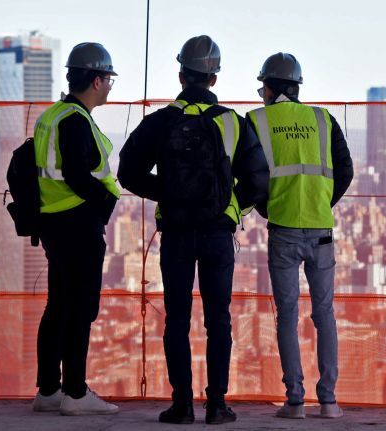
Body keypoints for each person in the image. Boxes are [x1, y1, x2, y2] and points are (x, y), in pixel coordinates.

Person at [117, 35, 269, 425]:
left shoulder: (161, 122)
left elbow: (128, 172)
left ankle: (181, 404)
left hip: (178, 234)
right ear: (213, 79)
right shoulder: (234, 123)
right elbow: (257, 181)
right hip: (219, 234)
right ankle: (217, 405)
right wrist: (232, 209)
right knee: (218, 318)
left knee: (177, 319)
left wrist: (166, 193)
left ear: (181, 75)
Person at [246, 53, 353, 419]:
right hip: (321, 228)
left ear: (270, 87)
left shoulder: (257, 120)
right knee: (325, 315)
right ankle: (329, 402)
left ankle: (294, 401)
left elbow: (252, 178)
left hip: (284, 230)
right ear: (297, 87)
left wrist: (269, 209)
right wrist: (323, 202)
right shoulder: (323, 118)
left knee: (287, 316)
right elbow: (345, 169)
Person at [30, 42, 120, 416]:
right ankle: (76, 393)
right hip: (77, 224)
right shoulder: (75, 120)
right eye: (109, 80)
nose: (110, 86)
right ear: (96, 80)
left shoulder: (51, 116)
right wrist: (102, 205)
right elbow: (78, 175)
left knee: (58, 306)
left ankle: (49, 389)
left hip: (54, 221)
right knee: (81, 308)